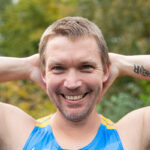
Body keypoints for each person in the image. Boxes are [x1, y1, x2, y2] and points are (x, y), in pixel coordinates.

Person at [0, 16, 150, 150]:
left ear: (105, 71)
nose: (72, 84)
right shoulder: (19, 133)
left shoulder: (131, 134)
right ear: (44, 74)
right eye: (58, 68)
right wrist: (27, 67)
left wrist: (122, 63)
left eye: (86, 67)